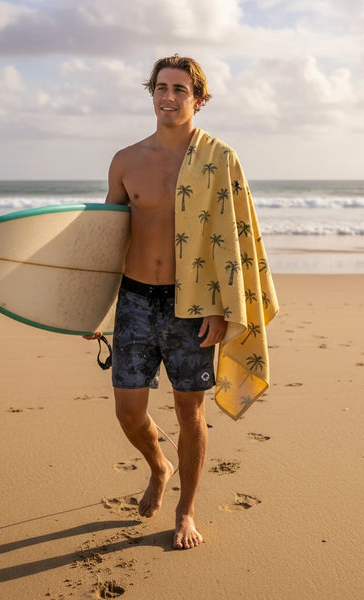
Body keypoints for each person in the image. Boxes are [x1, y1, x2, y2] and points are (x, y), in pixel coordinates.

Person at [87, 55, 277, 550]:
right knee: (129, 411)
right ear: (151, 93)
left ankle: (186, 510)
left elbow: (234, 240)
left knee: (189, 412)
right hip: (133, 298)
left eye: (180, 89)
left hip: (191, 304)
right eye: (161, 87)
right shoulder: (125, 160)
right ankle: (159, 466)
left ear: (199, 100)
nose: (168, 97)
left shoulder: (220, 159)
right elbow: (108, 238)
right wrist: (89, 306)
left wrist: (221, 307)